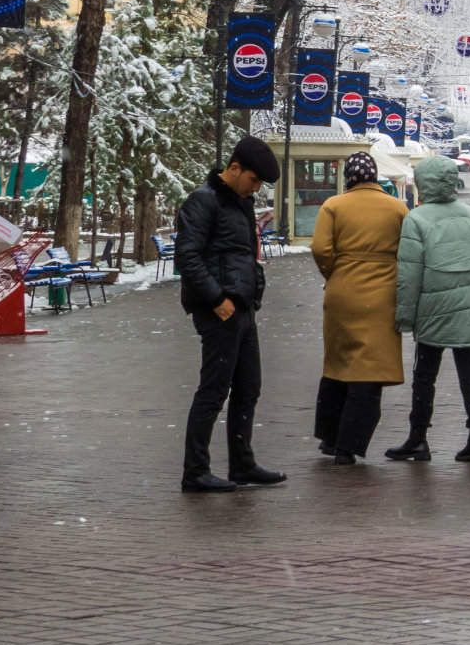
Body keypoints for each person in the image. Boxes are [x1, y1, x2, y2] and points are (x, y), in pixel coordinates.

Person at [175, 136, 287, 493]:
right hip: (219, 311)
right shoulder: (203, 200)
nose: (256, 188)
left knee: (248, 387)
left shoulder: (240, 203)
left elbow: (241, 254)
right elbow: (187, 257)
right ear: (234, 168)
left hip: (242, 308)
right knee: (213, 390)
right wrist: (216, 299)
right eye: (253, 180)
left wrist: (249, 295)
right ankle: (195, 472)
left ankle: (242, 464)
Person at [388, 155, 470, 463]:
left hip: (432, 310)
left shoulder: (417, 219)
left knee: (425, 376)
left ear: (424, 183)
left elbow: (409, 275)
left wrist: (405, 318)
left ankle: (418, 438)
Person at [310, 152, 408, 465]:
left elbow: (320, 249)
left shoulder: (334, 205)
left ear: (348, 178)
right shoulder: (397, 208)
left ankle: (329, 437)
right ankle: (348, 445)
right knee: (369, 369)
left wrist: (335, 273)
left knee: (338, 365)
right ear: (375, 176)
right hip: (383, 295)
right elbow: (409, 251)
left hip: (343, 292)